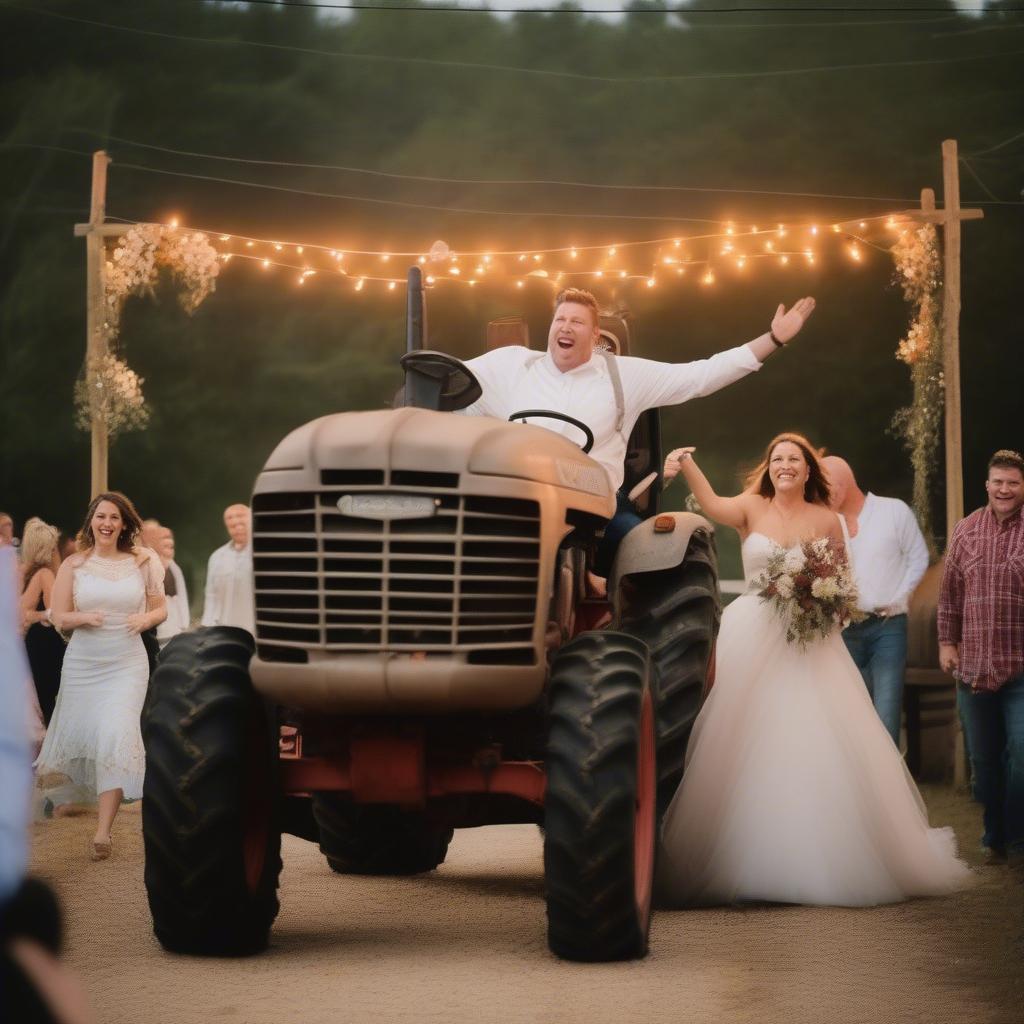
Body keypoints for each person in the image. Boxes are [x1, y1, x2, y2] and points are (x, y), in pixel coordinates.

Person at [656, 434, 972, 906]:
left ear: (808, 471)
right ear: (769, 467)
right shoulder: (749, 507)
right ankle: (744, 853)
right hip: (752, 633)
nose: (785, 466)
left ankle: (814, 856)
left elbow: (842, 585)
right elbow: (712, 503)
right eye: (778, 459)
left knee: (811, 733)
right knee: (743, 735)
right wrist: (686, 465)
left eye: (795, 460)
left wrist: (819, 605)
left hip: (808, 643)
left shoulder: (826, 519)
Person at [461, 287, 815, 574]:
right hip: (520, 498)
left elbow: (699, 376)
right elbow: (448, 382)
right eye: (560, 319)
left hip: (593, 508)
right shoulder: (512, 365)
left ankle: (623, 624)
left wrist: (772, 339)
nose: (566, 327)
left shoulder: (622, 375)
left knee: (657, 561)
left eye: (577, 322)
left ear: (595, 333)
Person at [34, 492, 166, 861]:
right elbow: (58, 615)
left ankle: (103, 831)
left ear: (124, 524)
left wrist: (145, 619)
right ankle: (72, 802)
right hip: (84, 665)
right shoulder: (73, 565)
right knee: (88, 737)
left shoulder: (142, 561)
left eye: (114, 517)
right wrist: (84, 618)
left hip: (127, 662)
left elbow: (160, 608)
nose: (107, 523)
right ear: (91, 522)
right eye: (100, 516)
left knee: (115, 732)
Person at [938, 449, 1024, 867]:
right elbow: (949, 595)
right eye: (998, 482)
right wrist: (946, 643)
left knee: (1022, 753)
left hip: (1020, 669)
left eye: (1013, 482)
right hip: (973, 669)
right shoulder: (966, 530)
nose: (1005, 489)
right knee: (985, 761)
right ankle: (995, 834)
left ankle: (1015, 834)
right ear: (987, 485)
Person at [822, 455, 929, 745]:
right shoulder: (827, 523)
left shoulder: (893, 511)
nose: (820, 494)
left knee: (887, 711)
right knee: (849, 713)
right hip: (843, 630)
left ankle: (889, 787)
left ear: (843, 485)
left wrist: (899, 600)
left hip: (888, 627)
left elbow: (918, 557)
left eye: (825, 487)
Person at [19, 520, 66, 726]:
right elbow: (54, 612)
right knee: (48, 701)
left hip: (30, 642)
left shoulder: (24, 574)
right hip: (45, 644)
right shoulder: (45, 575)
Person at [201, 504, 254, 634]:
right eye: (232, 526)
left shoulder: (266, 553)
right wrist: (207, 627)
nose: (238, 529)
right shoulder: (217, 557)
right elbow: (211, 595)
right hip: (226, 632)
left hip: (258, 631)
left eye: (241, 524)